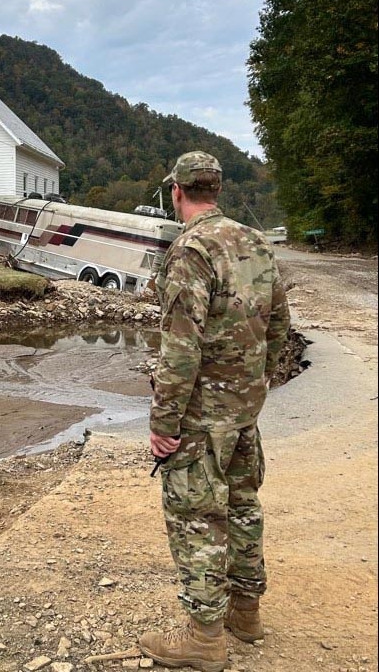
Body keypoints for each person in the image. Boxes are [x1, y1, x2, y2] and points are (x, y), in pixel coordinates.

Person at [139, 151, 290, 672]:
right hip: (243, 409)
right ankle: (246, 614)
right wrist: (256, 387)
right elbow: (278, 327)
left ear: (177, 192)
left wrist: (164, 423)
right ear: (217, 190)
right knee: (244, 504)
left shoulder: (190, 249)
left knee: (197, 518)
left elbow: (181, 346)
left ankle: (205, 637)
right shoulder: (255, 242)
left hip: (202, 416)